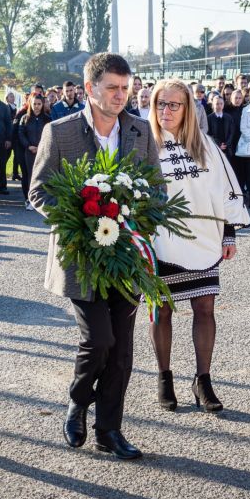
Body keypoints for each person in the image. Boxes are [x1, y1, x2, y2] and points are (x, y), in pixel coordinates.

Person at [29, 52, 159, 460]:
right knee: (98, 339)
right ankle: (78, 400)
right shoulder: (60, 131)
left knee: (121, 350)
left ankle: (109, 430)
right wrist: (76, 220)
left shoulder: (140, 131)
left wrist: (137, 213)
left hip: (126, 257)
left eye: (126, 88)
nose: (121, 96)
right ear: (90, 88)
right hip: (81, 257)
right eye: (113, 88)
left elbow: (156, 189)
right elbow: (38, 190)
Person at [147, 79, 250, 413]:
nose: (166, 111)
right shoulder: (144, 142)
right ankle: (164, 377)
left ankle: (202, 380)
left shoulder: (204, 144)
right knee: (162, 310)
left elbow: (223, 189)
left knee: (204, 308)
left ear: (187, 108)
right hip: (160, 241)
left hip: (203, 238)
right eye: (161, 103)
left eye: (174, 105)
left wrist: (229, 233)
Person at [18, 94, 50, 209]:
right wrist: (28, 146)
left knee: (42, 175)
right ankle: (29, 199)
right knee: (29, 175)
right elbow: (21, 134)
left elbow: (49, 135)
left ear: (42, 104)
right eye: (34, 104)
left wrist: (41, 147)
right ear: (30, 104)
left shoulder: (47, 119)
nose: (37, 106)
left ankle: (42, 199)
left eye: (39, 104)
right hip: (29, 151)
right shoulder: (25, 118)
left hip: (42, 151)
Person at [206, 94, 237, 159]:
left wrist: (226, 144)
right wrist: (218, 144)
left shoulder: (228, 117)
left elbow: (231, 132)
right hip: (214, 148)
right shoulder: (209, 118)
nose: (219, 106)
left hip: (227, 148)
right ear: (213, 105)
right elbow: (208, 133)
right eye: (217, 104)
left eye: (221, 103)